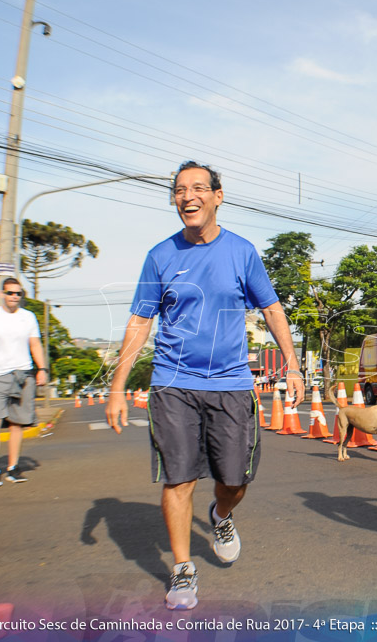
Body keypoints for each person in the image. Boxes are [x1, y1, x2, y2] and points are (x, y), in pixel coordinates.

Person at [105, 161, 305, 611]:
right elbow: (140, 321)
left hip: (231, 383)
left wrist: (292, 365)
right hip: (173, 383)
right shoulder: (161, 255)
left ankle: (221, 515)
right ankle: (181, 569)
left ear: (218, 196)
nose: (187, 196)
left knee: (234, 479)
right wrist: (118, 385)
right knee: (179, 479)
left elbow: (272, 310)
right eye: (179, 190)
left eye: (198, 188)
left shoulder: (242, 252)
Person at [0, 278, 47, 488]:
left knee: (16, 424)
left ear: (21, 296)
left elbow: (35, 344)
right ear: (3, 294)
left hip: (22, 374)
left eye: (18, 294)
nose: (14, 297)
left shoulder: (28, 317)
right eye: (10, 293)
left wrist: (42, 368)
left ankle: (12, 468)